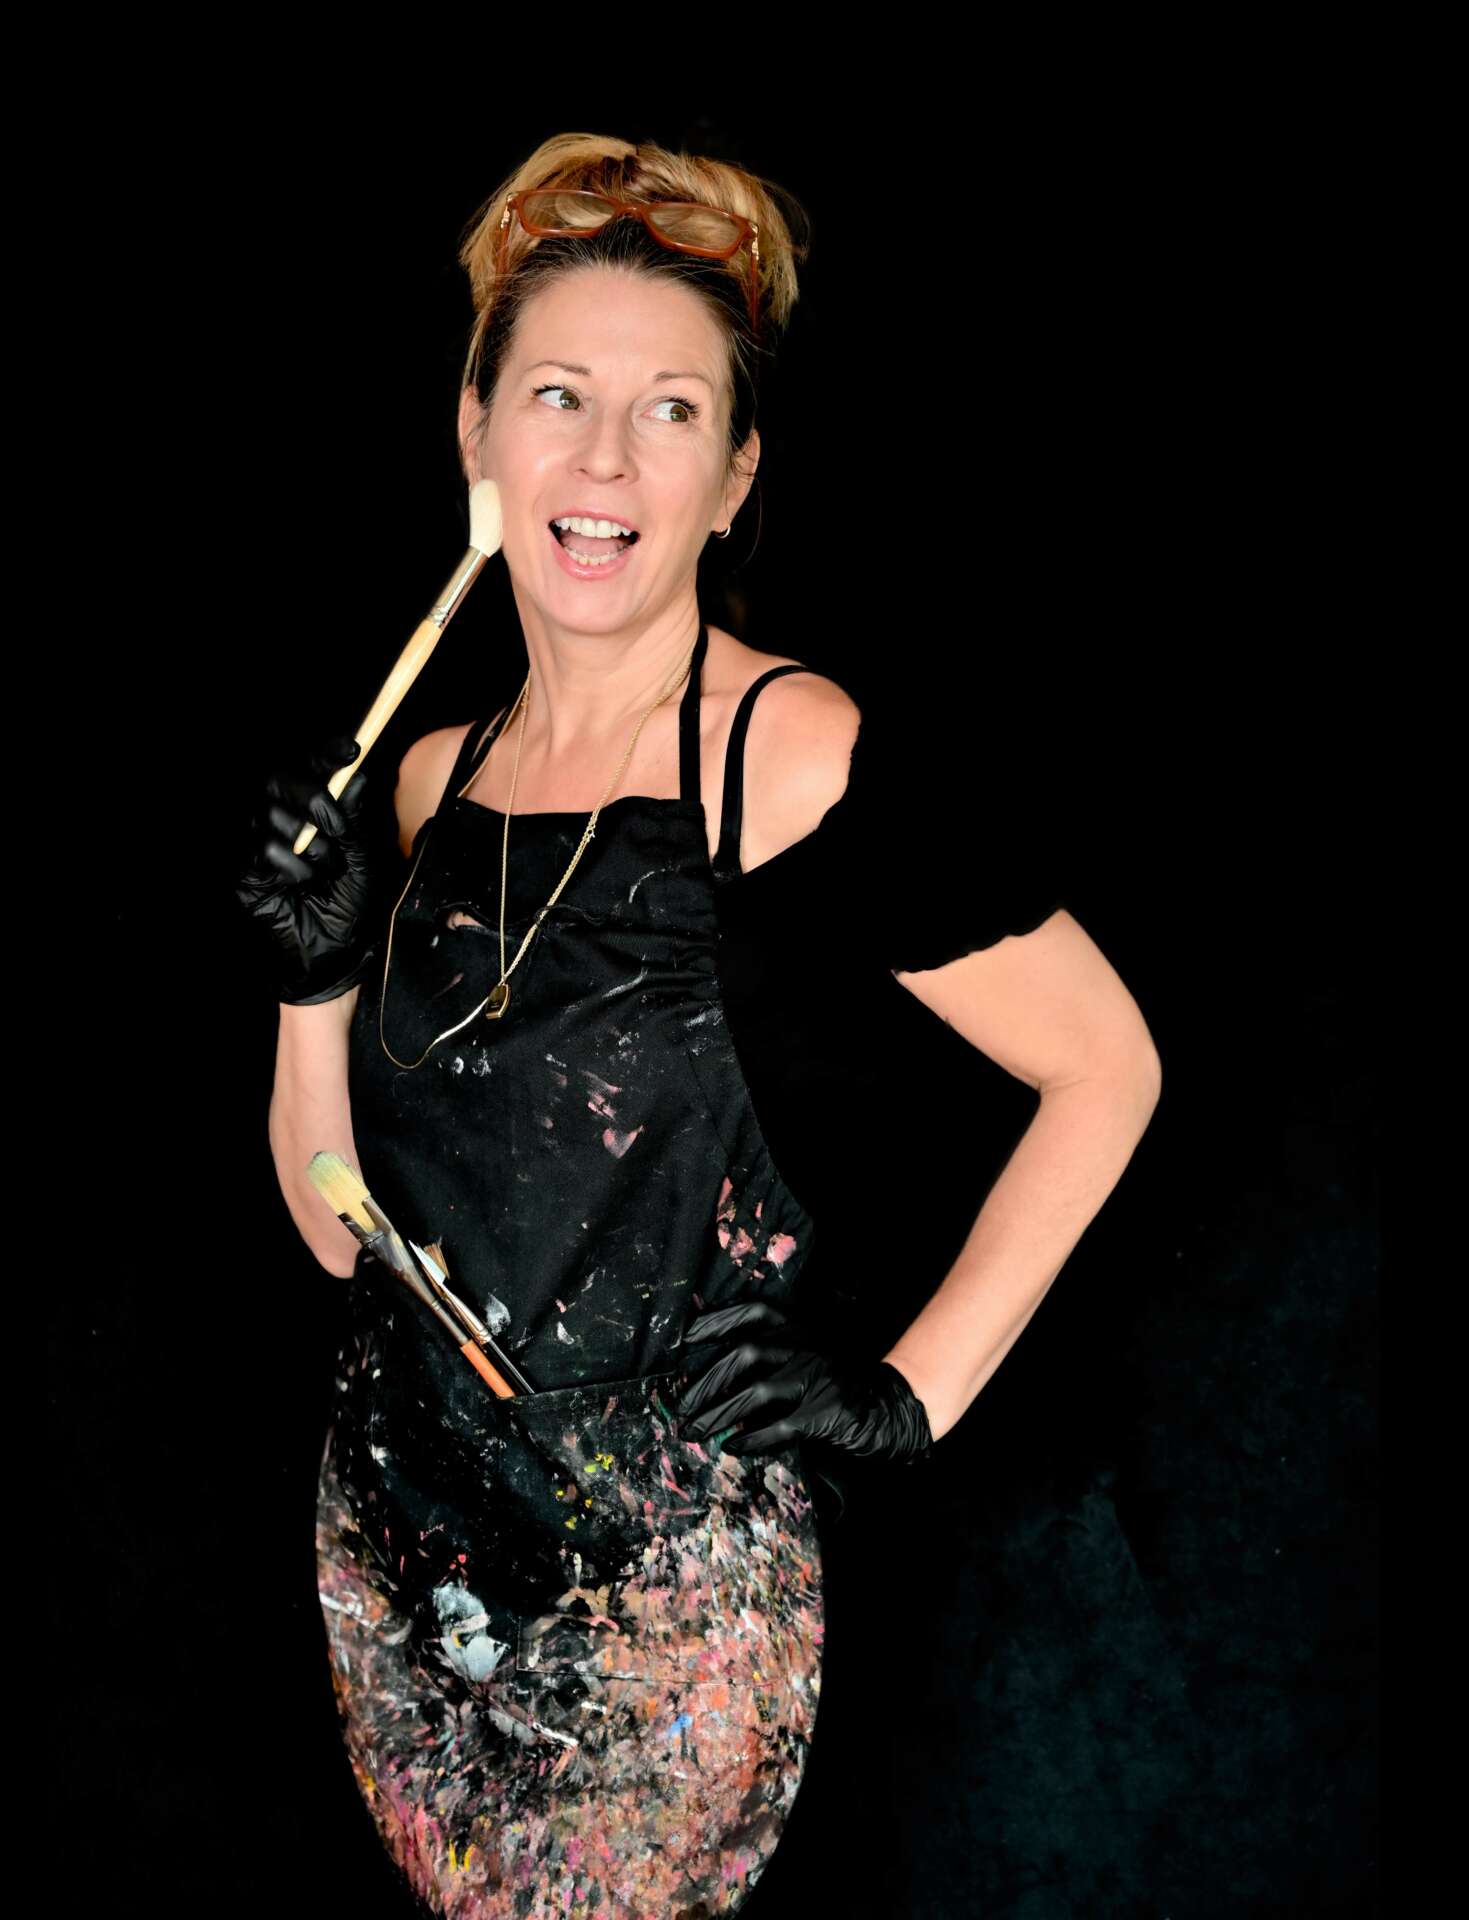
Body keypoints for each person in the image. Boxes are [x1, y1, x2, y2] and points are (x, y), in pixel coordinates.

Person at [235, 133, 1162, 1918]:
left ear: (733, 476)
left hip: (662, 1608)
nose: (602, 458)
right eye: (558, 396)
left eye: (668, 412)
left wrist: (908, 1394)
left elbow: (1105, 1066)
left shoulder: (784, 755)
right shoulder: (427, 783)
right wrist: (312, 986)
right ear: (477, 434)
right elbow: (341, 1234)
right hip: (414, 1557)